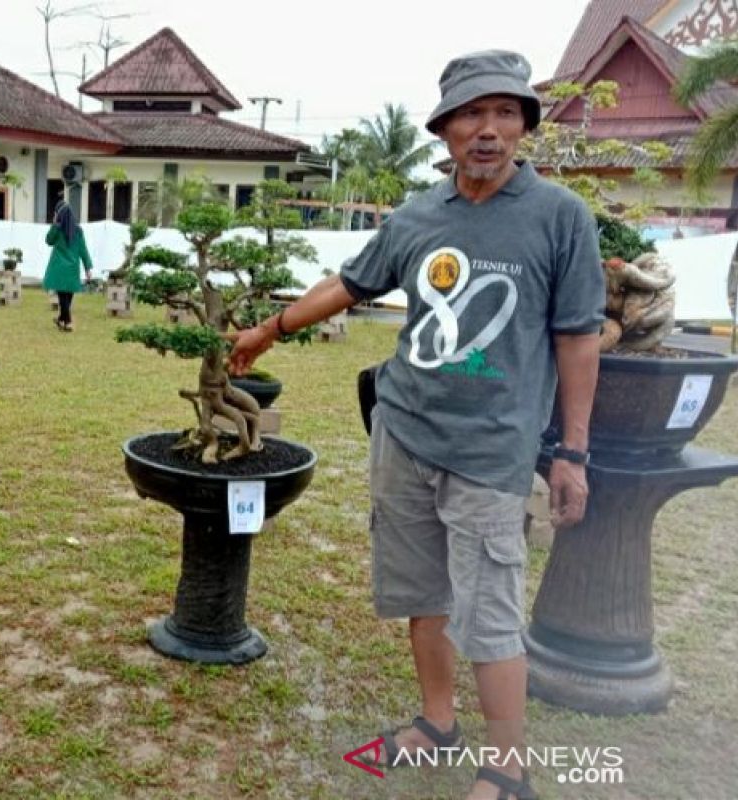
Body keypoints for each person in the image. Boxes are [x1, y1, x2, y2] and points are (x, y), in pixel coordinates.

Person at [229, 51, 603, 800]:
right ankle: (437, 723)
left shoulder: (560, 217)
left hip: (493, 451)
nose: (487, 130)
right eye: (471, 114)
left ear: (525, 125)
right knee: (421, 593)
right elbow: (352, 281)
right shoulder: (418, 216)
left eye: (504, 113)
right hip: (403, 432)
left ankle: (510, 768)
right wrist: (270, 328)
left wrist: (573, 452)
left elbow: (578, 335)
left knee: (491, 612)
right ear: (444, 129)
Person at [43, 200, 92, 331]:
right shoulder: (78, 231)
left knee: (62, 297)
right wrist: (88, 268)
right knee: (67, 297)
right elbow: (83, 250)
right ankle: (62, 320)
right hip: (72, 268)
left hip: (59, 268)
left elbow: (48, 240)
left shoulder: (57, 230)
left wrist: (53, 224)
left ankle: (67, 321)